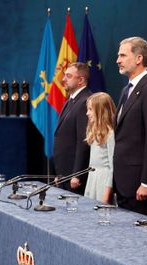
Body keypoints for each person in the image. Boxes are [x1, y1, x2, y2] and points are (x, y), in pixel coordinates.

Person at [113, 37, 147, 216]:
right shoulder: (126, 90)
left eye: (122, 55)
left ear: (139, 58)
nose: (118, 60)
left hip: (138, 185)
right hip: (123, 182)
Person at [53, 62, 92, 195]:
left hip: (74, 177)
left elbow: (83, 141)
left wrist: (77, 174)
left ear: (81, 80)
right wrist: (60, 173)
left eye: (68, 76)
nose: (63, 79)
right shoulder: (70, 100)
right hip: (64, 174)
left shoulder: (85, 101)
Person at [84, 92, 116, 204]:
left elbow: (112, 167)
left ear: (101, 110)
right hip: (93, 178)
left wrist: (106, 194)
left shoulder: (110, 133)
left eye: (90, 109)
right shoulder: (94, 131)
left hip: (103, 181)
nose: (87, 113)